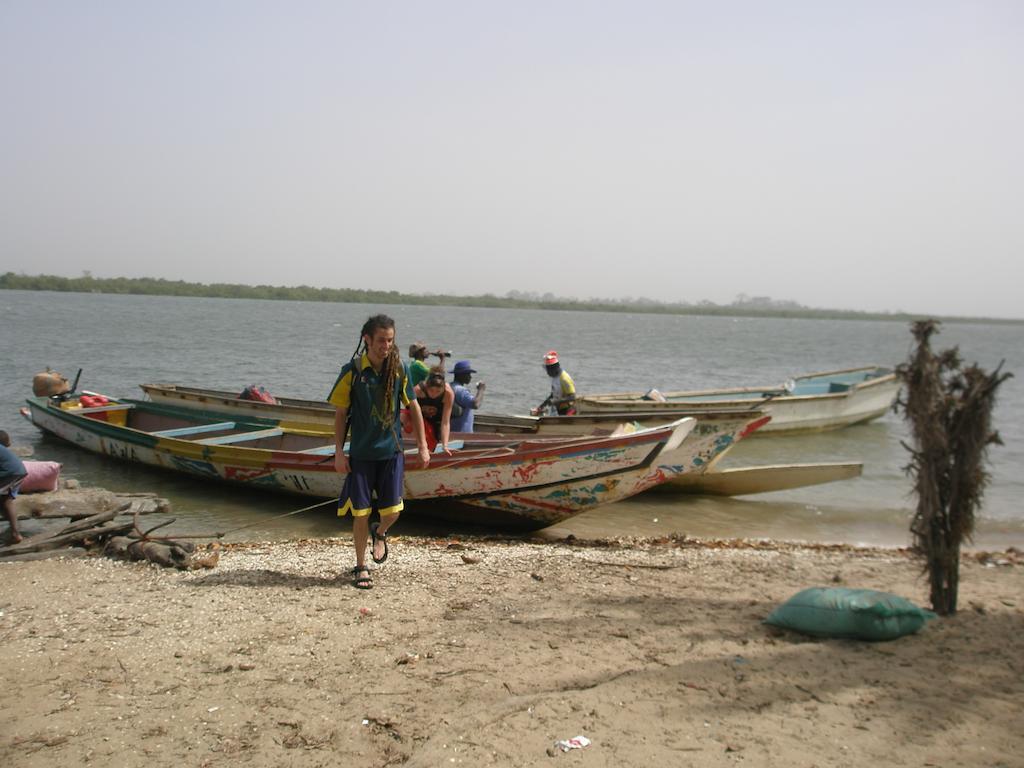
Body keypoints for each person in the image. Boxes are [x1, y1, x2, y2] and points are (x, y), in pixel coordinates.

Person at [329, 315, 430, 590]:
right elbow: (340, 414)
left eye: (390, 340)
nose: (386, 346)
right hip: (361, 454)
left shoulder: (399, 370)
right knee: (360, 513)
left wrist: (422, 447)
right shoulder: (353, 371)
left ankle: (381, 531)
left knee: (394, 510)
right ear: (367, 340)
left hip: (392, 452)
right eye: (381, 340)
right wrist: (339, 452)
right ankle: (361, 566)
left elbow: (414, 407)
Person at [413, 366, 454, 454]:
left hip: (436, 420)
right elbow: (413, 416)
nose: (434, 394)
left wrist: (445, 445)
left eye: (438, 391)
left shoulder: (448, 393)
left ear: (443, 388)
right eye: (431, 390)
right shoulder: (418, 390)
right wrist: (421, 444)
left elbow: (445, 422)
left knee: (434, 442)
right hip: (418, 418)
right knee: (405, 417)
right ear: (426, 386)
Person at [0, 430, 26, 544]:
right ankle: (14, 532)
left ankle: (16, 533)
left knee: (7, 501)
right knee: (6, 499)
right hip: (16, 471)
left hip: (10, 473)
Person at [532, 350, 576, 416]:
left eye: (548, 371)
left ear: (553, 369)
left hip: (568, 410)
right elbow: (553, 395)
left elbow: (572, 397)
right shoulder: (555, 378)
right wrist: (540, 407)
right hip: (559, 409)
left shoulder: (565, 379)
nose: (547, 373)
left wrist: (556, 401)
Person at [450, 360, 485, 433]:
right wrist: (481, 390)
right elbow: (475, 404)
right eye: (468, 374)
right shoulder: (460, 390)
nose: (470, 377)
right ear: (461, 375)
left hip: (452, 431)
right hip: (462, 434)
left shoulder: (450, 386)